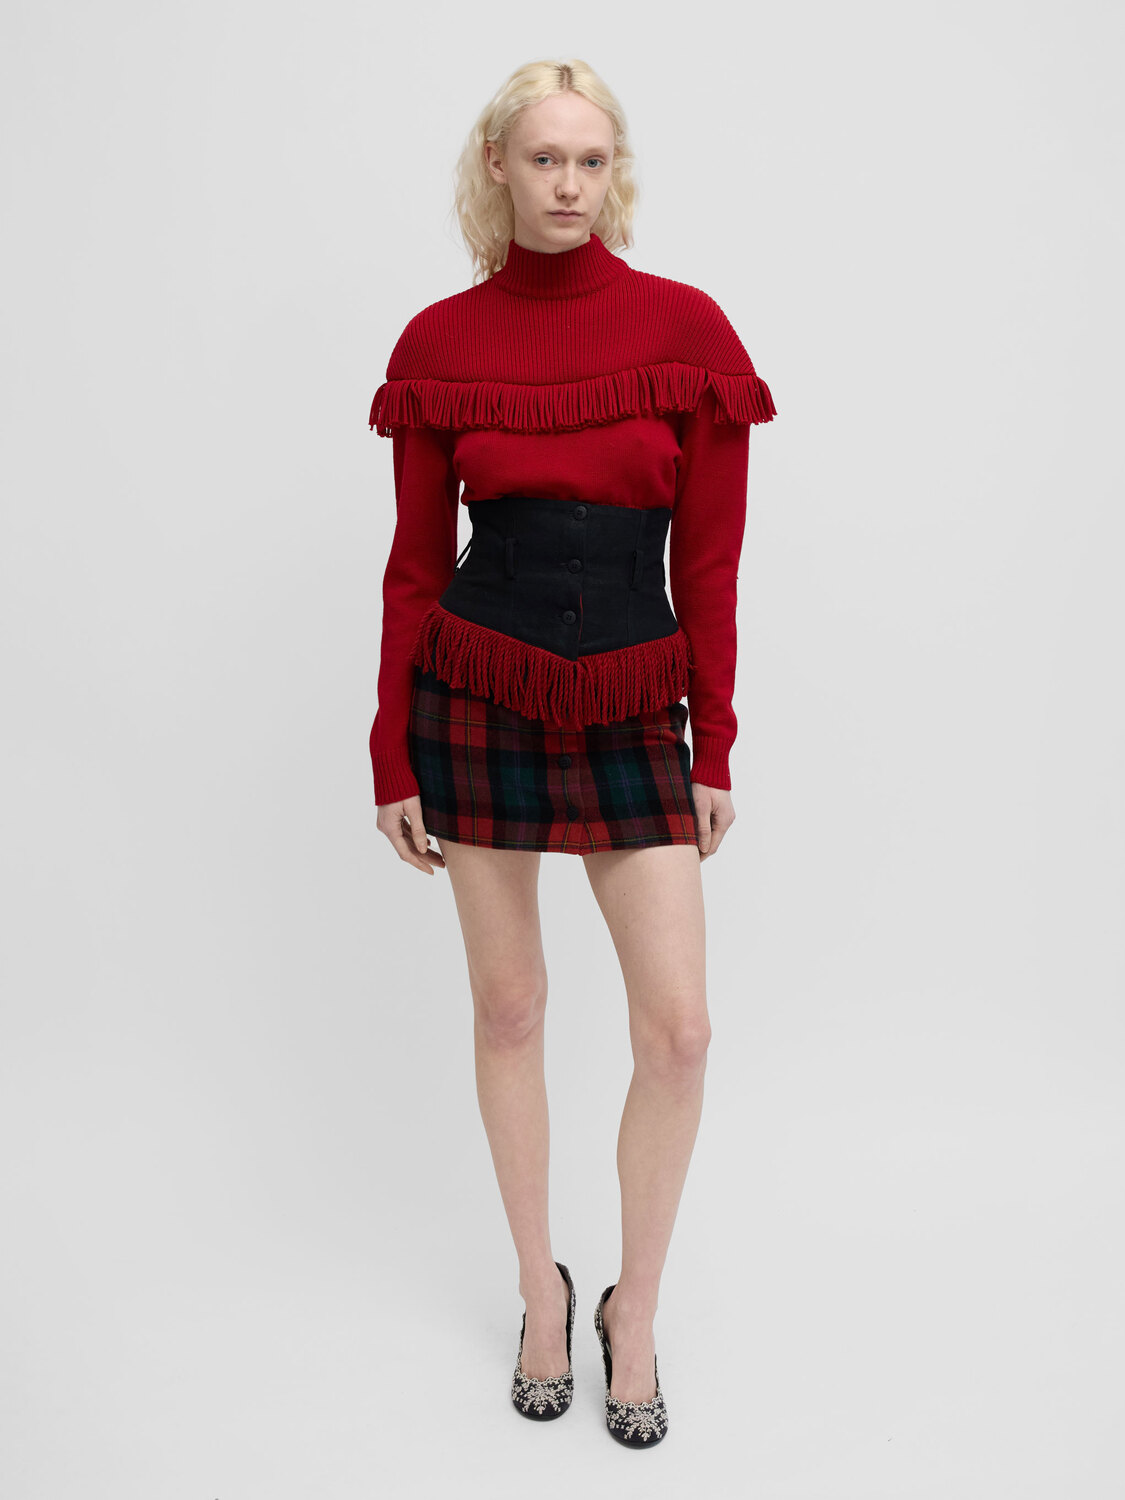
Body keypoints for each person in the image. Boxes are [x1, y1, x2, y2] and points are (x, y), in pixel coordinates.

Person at [366, 58, 776, 1447]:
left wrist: (712, 741)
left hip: (635, 701)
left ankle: (631, 1310)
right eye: (544, 158)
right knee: (511, 1010)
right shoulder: (439, 342)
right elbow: (414, 566)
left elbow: (708, 562)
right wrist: (390, 753)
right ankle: (538, 1290)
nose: (568, 185)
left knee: (680, 1030)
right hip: (475, 691)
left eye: (591, 161)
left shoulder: (684, 329)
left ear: (616, 172)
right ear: (496, 164)